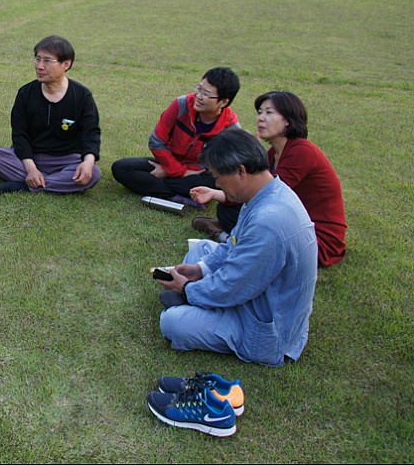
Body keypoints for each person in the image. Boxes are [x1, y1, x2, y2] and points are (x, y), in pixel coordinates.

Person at [155, 129, 318, 367]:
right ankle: (201, 298)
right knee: (201, 253)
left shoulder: (268, 222)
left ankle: (197, 304)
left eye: (219, 178)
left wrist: (189, 289)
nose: (217, 184)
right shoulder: (269, 191)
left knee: (172, 323)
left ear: (241, 171)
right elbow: (235, 241)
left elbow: (235, 284)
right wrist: (200, 270)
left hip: (268, 329)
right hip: (260, 292)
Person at [190, 91, 347, 267]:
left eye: (269, 113)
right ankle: (229, 238)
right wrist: (215, 193)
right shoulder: (273, 153)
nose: (261, 118)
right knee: (228, 211)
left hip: (315, 239)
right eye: (259, 112)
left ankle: (227, 239)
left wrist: (218, 194)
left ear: (288, 120)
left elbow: (266, 195)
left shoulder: (302, 151)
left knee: (242, 214)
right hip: (289, 224)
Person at [0, 35, 101, 194]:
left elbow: (91, 133)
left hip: (67, 159)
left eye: (47, 61)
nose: (39, 66)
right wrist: (31, 168)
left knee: (93, 173)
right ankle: (52, 182)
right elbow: (20, 135)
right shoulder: (26, 93)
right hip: (30, 158)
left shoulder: (82, 96)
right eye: (38, 59)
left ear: (66, 64)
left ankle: (27, 186)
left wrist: (88, 162)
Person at [111, 67, 241, 206]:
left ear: (223, 102)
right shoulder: (181, 104)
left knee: (215, 182)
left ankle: (163, 189)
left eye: (206, 94)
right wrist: (177, 171)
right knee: (121, 167)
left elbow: (225, 166)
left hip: (197, 173)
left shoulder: (231, 129)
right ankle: (176, 195)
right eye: (199, 89)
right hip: (169, 162)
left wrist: (177, 173)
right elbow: (156, 141)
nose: (199, 96)